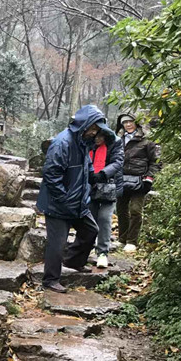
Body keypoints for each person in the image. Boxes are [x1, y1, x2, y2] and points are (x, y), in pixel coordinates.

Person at [37, 105, 116, 293]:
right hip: (58, 204)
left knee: (91, 230)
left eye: (97, 129)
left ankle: (74, 261)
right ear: (84, 124)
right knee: (57, 244)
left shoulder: (83, 142)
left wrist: (93, 178)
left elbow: (86, 165)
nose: (95, 132)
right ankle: (50, 280)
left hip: (78, 202)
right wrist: (63, 199)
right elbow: (51, 175)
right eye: (93, 128)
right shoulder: (62, 143)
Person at [115, 113, 161, 252]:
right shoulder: (118, 139)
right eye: (125, 122)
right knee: (121, 210)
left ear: (137, 123)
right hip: (121, 179)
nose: (128, 124)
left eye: (130, 121)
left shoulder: (147, 140)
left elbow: (156, 161)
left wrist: (149, 179)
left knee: (135, 210)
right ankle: (122, 239)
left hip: (139, 180)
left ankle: (132, 241)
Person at [88, 130, 124, 268]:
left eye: (100, 136)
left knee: (104, 218)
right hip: (91, 185)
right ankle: (86, 249)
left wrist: (103, 173)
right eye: (95, 136)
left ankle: (102, 252)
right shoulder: (87, 142)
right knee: (90, 218)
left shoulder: (115, 142)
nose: (97, 139)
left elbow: (118, 162)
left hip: (109, 186)